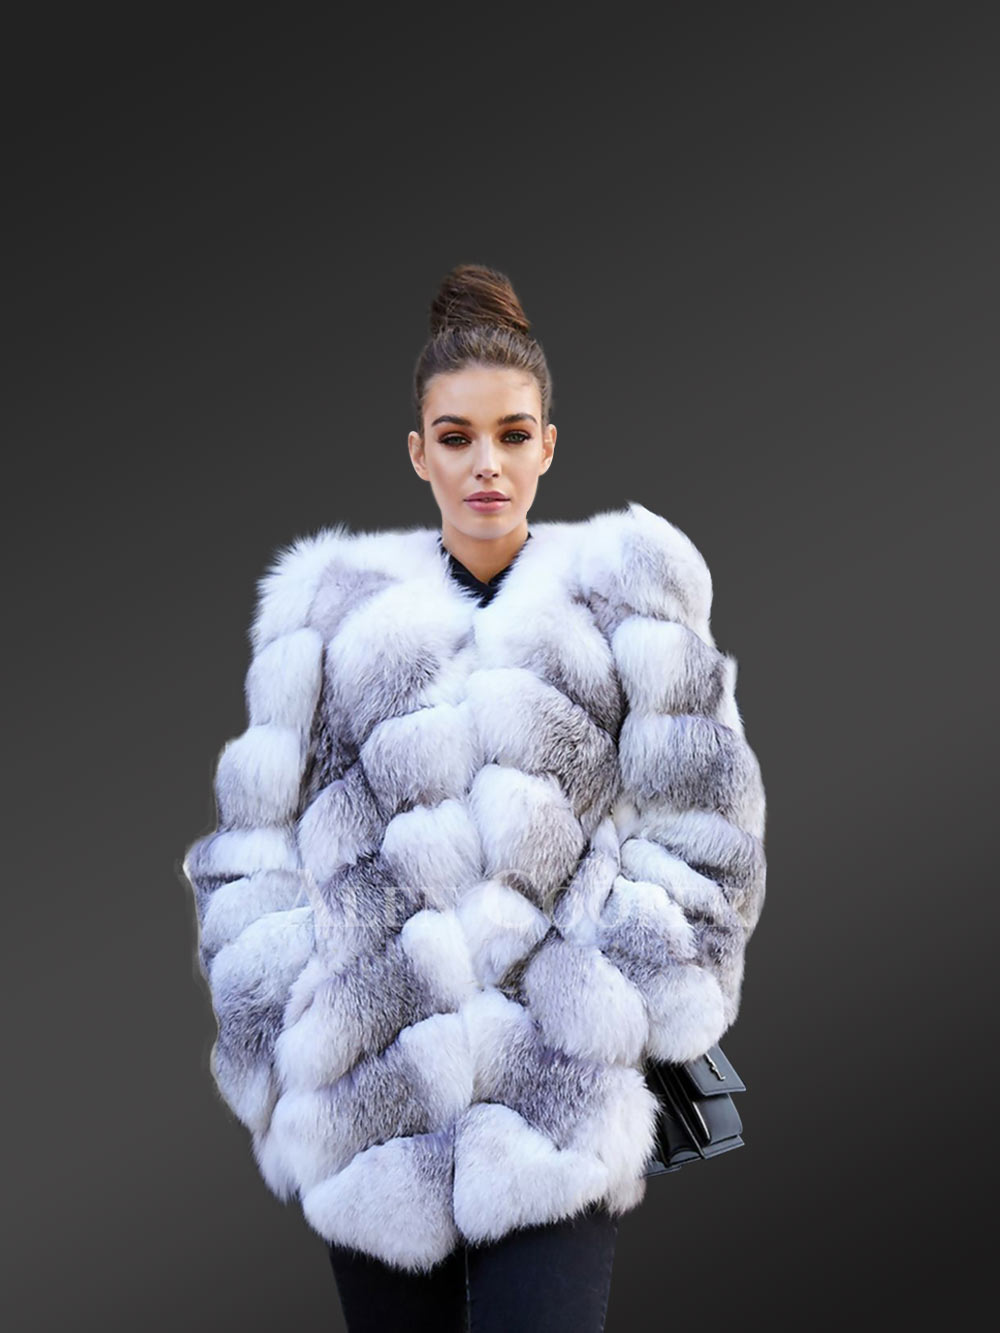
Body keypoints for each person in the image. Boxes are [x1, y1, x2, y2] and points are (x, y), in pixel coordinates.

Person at [180, 263, 767, 1332]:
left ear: (548, 445)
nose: (485, 462)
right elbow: (252, 844)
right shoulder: (328, 620)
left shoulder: (626, 601)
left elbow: (707, 824)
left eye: (511, 433)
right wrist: (294, 1021)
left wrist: (604, 990)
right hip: (372, 1101)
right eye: (456, 437)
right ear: (419, 452)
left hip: (553, 1091)